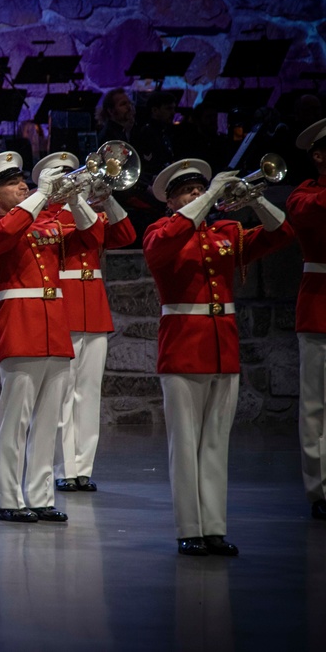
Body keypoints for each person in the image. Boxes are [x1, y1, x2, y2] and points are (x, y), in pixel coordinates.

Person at [143, 158, 294, 556]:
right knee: (185, 442)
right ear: (171, 202)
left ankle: (213, 527)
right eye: (188, 192)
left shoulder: (225, 231)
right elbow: (165, 246)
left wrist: (257, 200)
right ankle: (187, 528)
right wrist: (210, 196)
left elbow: (282, 232)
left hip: (221, 346)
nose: (196, 195)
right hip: (183, 347)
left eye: (200, 188)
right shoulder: (162, 231)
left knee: (215, 444)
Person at [0, 151, 103, 524]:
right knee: (16, 423)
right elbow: (7, 232)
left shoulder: (47, 226)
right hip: (21, 329)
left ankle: (42, 496)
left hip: (55, 328)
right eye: (12, 183)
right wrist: (41, 196)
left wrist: (75, 198)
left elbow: (93, 236)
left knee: (48, 423)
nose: (22, 185)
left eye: (22, 180)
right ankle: (9, 498)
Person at [29, 152, 137, 494]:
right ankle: (64, 467)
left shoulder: (86, 210)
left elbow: (125, 235)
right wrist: (74, 200)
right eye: (63, 177)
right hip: (66, 305)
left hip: (94, 308)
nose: (73, 181)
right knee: (62, 395)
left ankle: (83, 468)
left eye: (72, 175)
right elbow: (89, 234)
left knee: (88, 393)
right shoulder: (47, 217)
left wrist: (106, 196)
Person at [287, 117, 326, 521]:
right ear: (318, 156)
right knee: (315, 405)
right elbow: (307, 215)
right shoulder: (304, 195)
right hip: (319, 305)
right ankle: (320, 489)